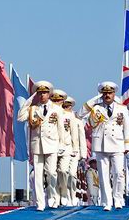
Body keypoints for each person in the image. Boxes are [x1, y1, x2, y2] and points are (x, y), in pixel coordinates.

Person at [81, 81, 129, 211]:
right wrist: (96, 99)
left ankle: (118, 199)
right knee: (103, 175)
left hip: (117, 144)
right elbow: (80, 114)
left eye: (110, 92)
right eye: (105, 93)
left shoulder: (122, 109)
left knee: (119, 173)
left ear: (114, 93)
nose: (107, 95)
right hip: (101, 144)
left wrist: (127, 145)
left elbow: (127, 128)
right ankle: (107, 201)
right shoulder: (96, 108)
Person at [17, 80, 64, 211]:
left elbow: (60, 128)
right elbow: (20, 117)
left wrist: (61, 144)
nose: (42, 95)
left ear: (49, 94)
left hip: (52, 144)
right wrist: (29, 101)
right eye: (40, 93)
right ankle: (40, 202)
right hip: (37, 144)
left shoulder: (57, 109)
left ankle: (53, 198)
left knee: (51, 173)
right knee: (37, 174)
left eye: (44, 92)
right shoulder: (33, 109)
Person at [62, 96, 87, 206]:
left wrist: (83, 154)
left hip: (75, 150)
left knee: (72, 174)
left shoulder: (77, 120)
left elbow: (82, 137)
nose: (67, 107)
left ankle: (72, 195)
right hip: (63, 150)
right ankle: (65, 195)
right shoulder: (60, 117)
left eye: (68, 105)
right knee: (63, 173)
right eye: (65, 105)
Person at [51, 89, 72, 206]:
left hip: (66, 148)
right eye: (54, 101)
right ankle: (55, 197)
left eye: (59, 100)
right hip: (52, 146)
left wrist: (77, 149)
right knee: (52, 173)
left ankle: (63, 192)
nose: (56, 102)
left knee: (63, 171)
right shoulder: (49, 113)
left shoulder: (68, 116)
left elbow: (74, 133)